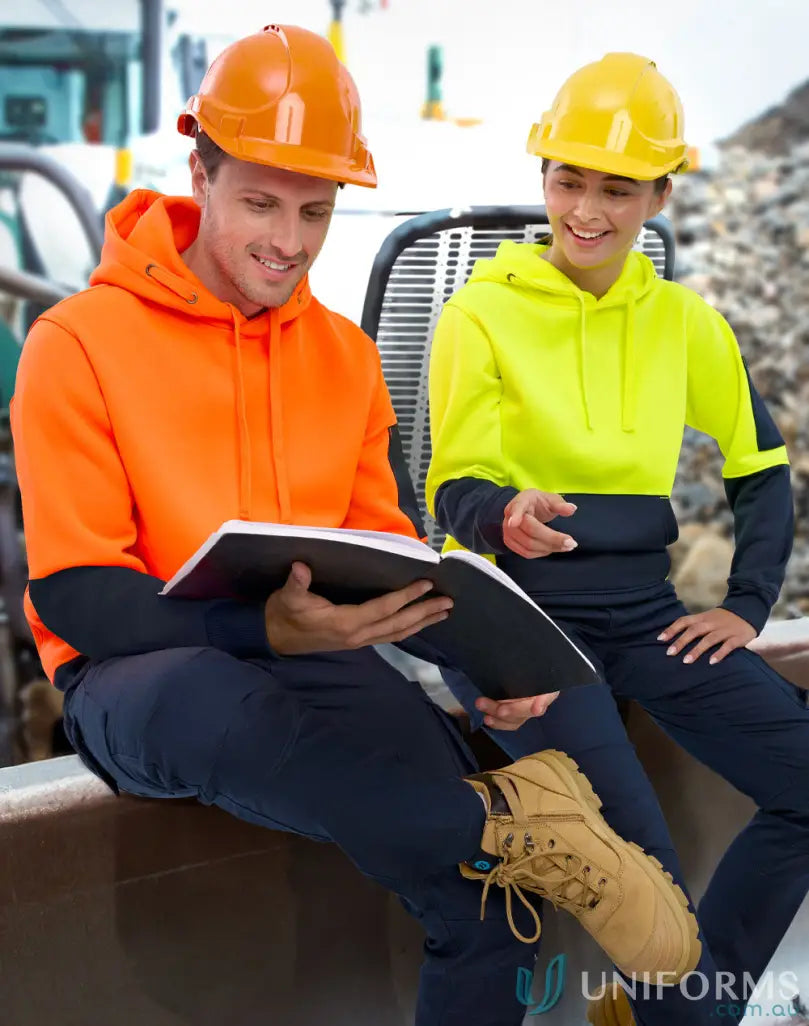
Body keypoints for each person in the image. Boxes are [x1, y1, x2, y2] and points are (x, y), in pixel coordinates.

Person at [10, 29, 698, 1026]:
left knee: (485, 905)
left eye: (314, 212)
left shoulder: (342, 356)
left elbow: (383, 556)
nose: (287, 241)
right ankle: (498, 813)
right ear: (200, 170)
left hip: (319, 654)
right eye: (258, 203)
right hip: (147, 671)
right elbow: (73, 593)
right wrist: (260, 632)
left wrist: (488, 663)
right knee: (218, 697)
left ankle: (495, 825)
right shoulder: (77, 344)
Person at [426, 51, 809, 1026]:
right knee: (647, 899)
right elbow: (451, 486)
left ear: (658, 192)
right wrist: (501, 516)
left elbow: (760, 470)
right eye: (566, 180)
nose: (586, 209)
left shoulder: (685, 324)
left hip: (643, 617)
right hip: (521, 627)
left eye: (616, 186)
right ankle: (679, 1011)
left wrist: (742, 604)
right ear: (541, 176)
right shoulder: (479, 314)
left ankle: (672, 1014)